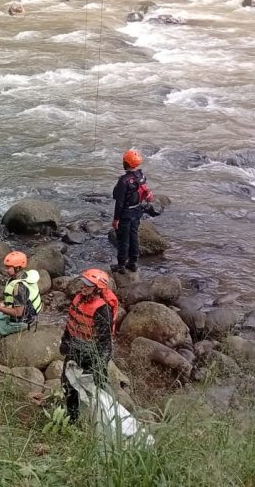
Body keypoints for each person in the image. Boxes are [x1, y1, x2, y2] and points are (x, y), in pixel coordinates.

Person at [61, 268, 119, 423]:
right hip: (74, 348)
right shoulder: (79, 299)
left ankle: (99, 420)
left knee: (95, 389)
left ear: (98, 289)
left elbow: (105, 343)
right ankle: (72, 418)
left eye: (88, 285)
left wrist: (98, 366)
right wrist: (65, 341)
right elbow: (71, 323)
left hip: (92, 354)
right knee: (68, 385)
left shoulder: (103, 310)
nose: (83, 287)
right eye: (84, 283)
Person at [111, 149, 155, 273]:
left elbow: (119, 202)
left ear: (126, 163)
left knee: (123, 239)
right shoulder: (141, 176)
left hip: (125, 214)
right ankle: (133, 263)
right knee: (134, 236)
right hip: (137, 211)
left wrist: (116, 219)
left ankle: (121, 265)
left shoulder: (124, 180)